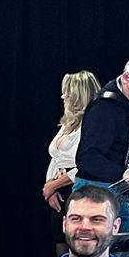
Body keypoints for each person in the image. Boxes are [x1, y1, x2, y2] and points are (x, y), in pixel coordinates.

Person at [72, 53, 129, 206]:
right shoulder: (104, 107)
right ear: (127, 77)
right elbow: (86, 159)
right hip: (97, 193)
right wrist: (124, 174)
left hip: (118, 192)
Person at [41, 70, 101, 210]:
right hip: (57, 192)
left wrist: (55, 185)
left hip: (77, 188)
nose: (63, 96)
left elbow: (86, 165)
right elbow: (55, 157)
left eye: (67, 92)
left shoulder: (92, 125)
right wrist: (49, 187)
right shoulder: (67, 124)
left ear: (79, 95)